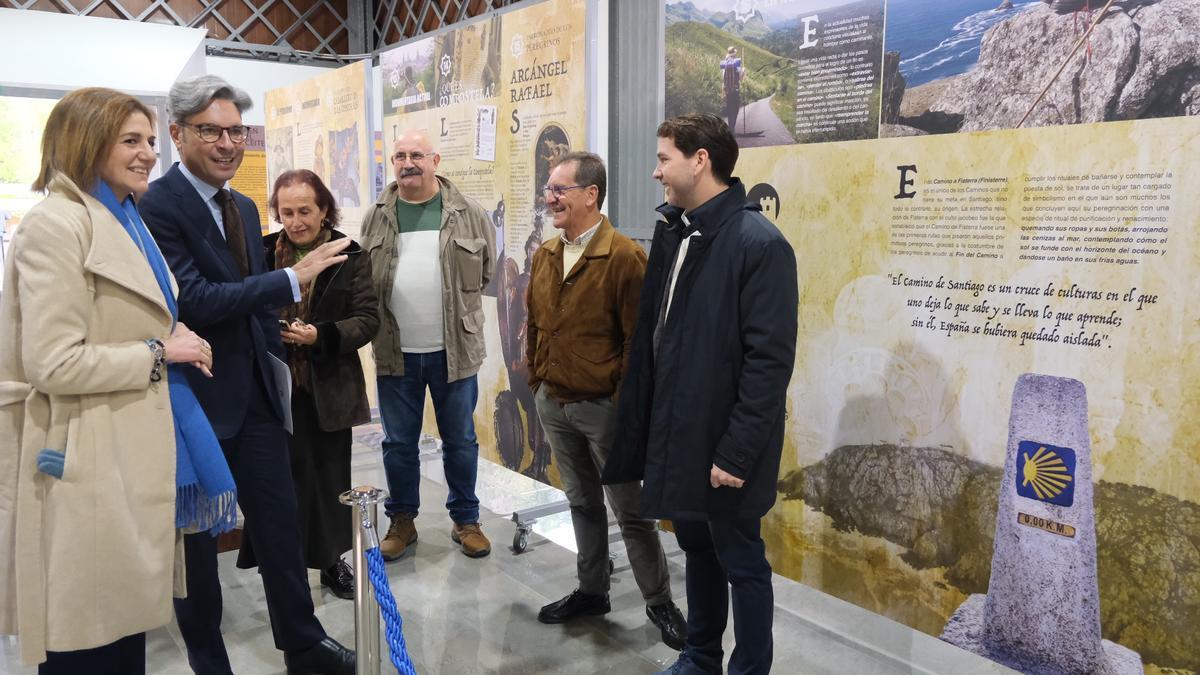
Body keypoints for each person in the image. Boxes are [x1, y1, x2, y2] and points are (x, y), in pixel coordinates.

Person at [0, 87, 225, 674]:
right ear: (86, 142)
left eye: (150, 140)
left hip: (125, 447)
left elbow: (134, 313)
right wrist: (160, 351)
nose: (150, 153)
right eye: (131, 140)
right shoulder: (57, 224)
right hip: (84, 458)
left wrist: (176, 339)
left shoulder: (123, 216)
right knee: (88, 640)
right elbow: (54, 362)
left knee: (122, 636)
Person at [139, 75, 355, 675]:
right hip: (195, 402)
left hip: (257, 397)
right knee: (199, 545)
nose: (229, 142)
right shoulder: (156, 206)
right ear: (178, 133)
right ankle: (211, 660)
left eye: (238, 130)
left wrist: (274, 362)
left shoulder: (239, 204)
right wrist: (293, 278)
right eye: (213, 130)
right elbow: (196, 299)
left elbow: (249, 304)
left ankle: (303, 644)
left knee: (279, 525)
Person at [603, 113, 798, 675]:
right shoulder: (675, 231)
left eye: (664, 158)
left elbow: (769, 363)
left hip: (725, 445)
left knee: (741, 559)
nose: (655, 170)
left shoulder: (759, 243)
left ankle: (749, 669)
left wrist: (736, 452)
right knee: (697, 548)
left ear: (700, 160)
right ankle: (701, 655)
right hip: (680, 434)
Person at [525, 151, 687, 650]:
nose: (548, 198)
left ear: (591, 194)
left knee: (631, 510)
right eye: (549, 189)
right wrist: (537, 381)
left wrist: (618, 401)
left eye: (559, 190)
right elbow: (534, 324)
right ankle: (592, 591)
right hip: (554, 401)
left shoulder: (624, 258)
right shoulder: (546, 254)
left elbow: (639, 342)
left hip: (603, 410)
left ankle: (659, 601)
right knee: (580, 502)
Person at [360, 129, 495, 560]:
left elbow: (487, 271)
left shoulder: (468, 213)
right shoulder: (377, 215)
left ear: (435, 160)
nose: (407, 163)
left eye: (416, 154)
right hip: (395, 352)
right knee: (399, 443)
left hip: (454, 352)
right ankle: (402, 522)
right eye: (400, 155)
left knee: (460, 440)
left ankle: (466, 520)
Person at [255, 169, 379, 600]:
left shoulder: (350, 254)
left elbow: (367, 319)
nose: (295, 221)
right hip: (274, 385)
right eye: (286, 212)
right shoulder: (265, 250)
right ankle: (283, 565)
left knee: (328, 479)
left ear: (324, 208)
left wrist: (319, 335)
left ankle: (330, 562)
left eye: (304, 210)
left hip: (328, 386)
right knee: (282, 479)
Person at [720, 46, 745, 133]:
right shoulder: (736, 63)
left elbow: (723, 80)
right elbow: (741, 78)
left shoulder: (725, 65)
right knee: (736, 109)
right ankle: (732, 127)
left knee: (730, 109)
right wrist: (743, 71)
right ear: (734, 53)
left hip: (728, 91)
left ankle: (731, 127)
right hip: (735, 90)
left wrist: (722, 93)